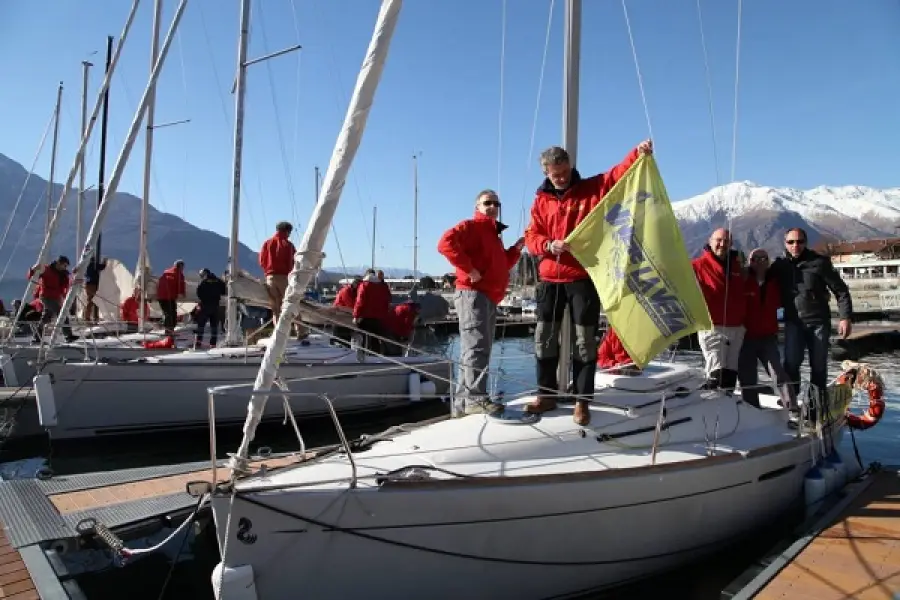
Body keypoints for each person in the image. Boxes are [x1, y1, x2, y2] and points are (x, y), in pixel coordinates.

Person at [524, 140, 652, 426]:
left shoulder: (592, 188)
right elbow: (531, 238)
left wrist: (637, 152)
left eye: (564, 171)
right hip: (549, 279)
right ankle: (546, 395)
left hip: (583, 278)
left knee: (584, 343)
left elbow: (618, 174)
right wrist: (548, 244)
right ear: (546, 172)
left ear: (570, 166)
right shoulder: (540, 201)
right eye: (555, 174)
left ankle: (582, 401)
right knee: (545, 340)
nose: (561, 177)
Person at [438, 189, 523, 415]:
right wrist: (469, 269)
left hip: (487, 297)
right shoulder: (471, 227)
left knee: (474, 349)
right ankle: (475, 400)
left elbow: (502, 264)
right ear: (478, 206)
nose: (493, 206)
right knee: (476, 348)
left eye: (496, 203)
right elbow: (445, 243)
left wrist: (517, 249)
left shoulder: (493, 235)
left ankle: (462, 405)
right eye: (488, 203)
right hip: (473, 294)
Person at [769, 227, 852, 420]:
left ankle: (816, 409)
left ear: (806, 242)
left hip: (818, 323)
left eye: (799, 242)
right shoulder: (779, 266)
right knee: (790, 364)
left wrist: (845, 317)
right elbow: (759, 281)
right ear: (785, 244)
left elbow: (841, 291)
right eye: (791, 242)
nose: (795, 246)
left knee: (819, 366)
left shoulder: (819, 263)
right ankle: (791, 405)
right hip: (793, 323)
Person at [738, 248, 795, 409]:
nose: (760, 262)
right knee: (747, 378)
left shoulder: (775, 282)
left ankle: (792, 407)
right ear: (750, 261)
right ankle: (751, 408)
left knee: (777, 373)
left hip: (768, 337)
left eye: (763, 258)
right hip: (745, 338)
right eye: (755, 259)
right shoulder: (743, 281)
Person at [691, 228, 748, 392]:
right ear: (710, 241)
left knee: (730, 377)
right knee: (716, 375)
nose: (722, 244)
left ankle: (726, 410)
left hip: (736, 329)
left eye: (726, 241)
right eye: (718, 240)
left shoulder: (737, 266)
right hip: (712, 328)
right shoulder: (697, 266)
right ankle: (709, 412)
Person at [27, 255, 76, 343]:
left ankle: (36, 337)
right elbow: (32, 276)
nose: (65, 268)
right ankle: (68, 335)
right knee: (61, 313)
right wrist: (33, 269)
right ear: (58, 263)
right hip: (46, 297)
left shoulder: (63, 274)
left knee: (46, 318)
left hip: (56, 297)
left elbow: (66, 284)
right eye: (64, 265)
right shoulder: (46, 269)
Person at [259, 221, 296, 325]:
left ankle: (277, 334)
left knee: (275, 308)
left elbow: (262, 260)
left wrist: (267, 270)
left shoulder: (267, 243)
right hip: (283, 277)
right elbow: (293, 261)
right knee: (291, 303)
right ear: (287, 231)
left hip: (269, 277)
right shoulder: (288, 245)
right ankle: (301, 330)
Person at [352, 269, 392, 354]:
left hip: (366, 317)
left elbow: (360, 302)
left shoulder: (364, 285)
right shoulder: (382, 286)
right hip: (379, 318)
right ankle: (375, 357)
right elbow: (387, 301)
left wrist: (356, 316)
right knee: (375, 340)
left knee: (362, 338)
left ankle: (362, 355)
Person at [195, 268, 227, 348]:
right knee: (214, 326)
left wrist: (204, 299)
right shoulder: (218, 281)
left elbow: (199, 292)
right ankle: (213, 344)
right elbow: (224, 291)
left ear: (203, 274)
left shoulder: (203, 282)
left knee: (201, 325)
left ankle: (198, 343)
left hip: (205, 305)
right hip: (215, 305)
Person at [156, 260, 186, 334]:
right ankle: (169, 332)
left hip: (161, 296)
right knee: (171, 314)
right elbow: (181, 284)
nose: (183, 269)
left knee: (168, 313)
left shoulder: (166, 272)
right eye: (182, 267)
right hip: (169, 297)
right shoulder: (179, 274)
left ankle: (169, 330)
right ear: (180, 266)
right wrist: (182, 293)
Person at [82, 258, 107, 322]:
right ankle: (87, 317)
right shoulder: (93, 265)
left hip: (88, 284)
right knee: (91, 301)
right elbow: (102, 267)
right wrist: (104, 261)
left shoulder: (86, 265)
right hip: (92, 285)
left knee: (90, 300)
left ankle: (87, 316)